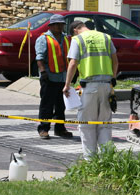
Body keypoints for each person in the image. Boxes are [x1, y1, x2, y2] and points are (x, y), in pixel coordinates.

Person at [62, 20, 118, 158]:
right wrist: (113, 79)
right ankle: (107, 159)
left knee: (86, 124)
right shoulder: (105, 37)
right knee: (104, 124)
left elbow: (73, 63)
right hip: (106, 85)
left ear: (75, 30)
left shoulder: (78, 39)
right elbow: (115, 61)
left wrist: (67, 85)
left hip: (89, 86)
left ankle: (90, 160)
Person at [35, 14, 73, 140]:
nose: (60, 26)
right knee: (47, 104)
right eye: (57, 24)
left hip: (62, 78)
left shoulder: (66, 39)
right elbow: (39, 57)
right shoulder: (43, 39)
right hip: (49, 77)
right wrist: (43, 72)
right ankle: (44, 129)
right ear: (51, 26)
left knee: (61, 105)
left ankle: (60, 129)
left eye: (62, 24)